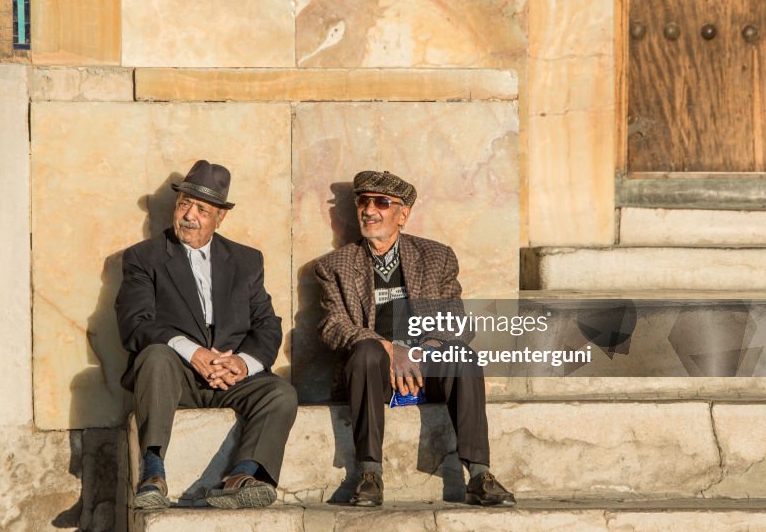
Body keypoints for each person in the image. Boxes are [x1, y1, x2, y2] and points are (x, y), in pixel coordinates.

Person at [314, 170, 515, 508]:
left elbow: (456, 321)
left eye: (382, 202)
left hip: (428, 367)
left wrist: (425, 350)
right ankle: (369, 474)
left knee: (463, 357)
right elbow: (333, 326)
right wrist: (388, 349)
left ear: (402, 214)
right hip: (375, 375)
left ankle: (479, 475)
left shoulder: (437, 257)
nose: (369, 210)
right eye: (363, 202)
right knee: (365, 352)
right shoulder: (335, 265)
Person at [116, 160, 297, 510]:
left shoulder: (246, 260)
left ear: (220, 217)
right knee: (153, 355)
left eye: (201, 209)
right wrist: (193, 353)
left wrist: (242, 364)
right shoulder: (144, 257)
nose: (189, 215)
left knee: (281, 393)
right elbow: (134, 323)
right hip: (176, 375)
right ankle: (152, 472)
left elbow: (267, 324)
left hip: (229, 375)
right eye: (184, 204)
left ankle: (241, 475)